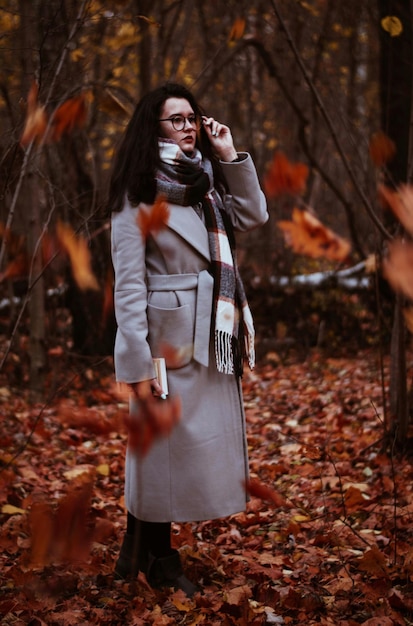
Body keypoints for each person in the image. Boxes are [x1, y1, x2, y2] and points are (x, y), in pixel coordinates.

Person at [108, 82, 268, 596]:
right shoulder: (136, 194)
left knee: (172, 453)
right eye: (175, 120)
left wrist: (229, 155)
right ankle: (159, 558)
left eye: (192, 118)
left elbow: (253, 216)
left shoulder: (206, 183)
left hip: (214, 334)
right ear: (152, 130)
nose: (189, 127)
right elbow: (129, 285)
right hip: (168, 342)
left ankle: (137, 544)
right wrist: (135, 364)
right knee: (160, 452)